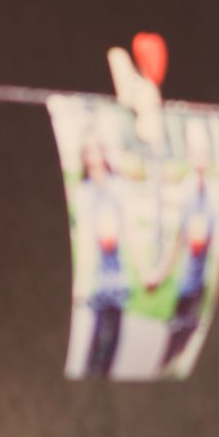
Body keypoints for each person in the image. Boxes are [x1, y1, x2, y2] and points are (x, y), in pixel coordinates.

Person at [149, 121, 218, 371]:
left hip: (203, 285)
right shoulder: (186, 192)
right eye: (195, 153)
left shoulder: (214, 194)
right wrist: (159, 274)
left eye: (203, 153)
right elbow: (177, 241)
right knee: (173, 343)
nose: (200, 159)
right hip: (186, 283)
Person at [77, 130, 131, 377]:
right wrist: (82, 282)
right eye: (88, 150)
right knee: (97, 344)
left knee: (112, 344)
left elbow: (127, 231)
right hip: (98, 279)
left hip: (118, 277)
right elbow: (85, 239)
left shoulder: (117, 187)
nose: (94, 155)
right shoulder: (84, 192)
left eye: (97, 149)